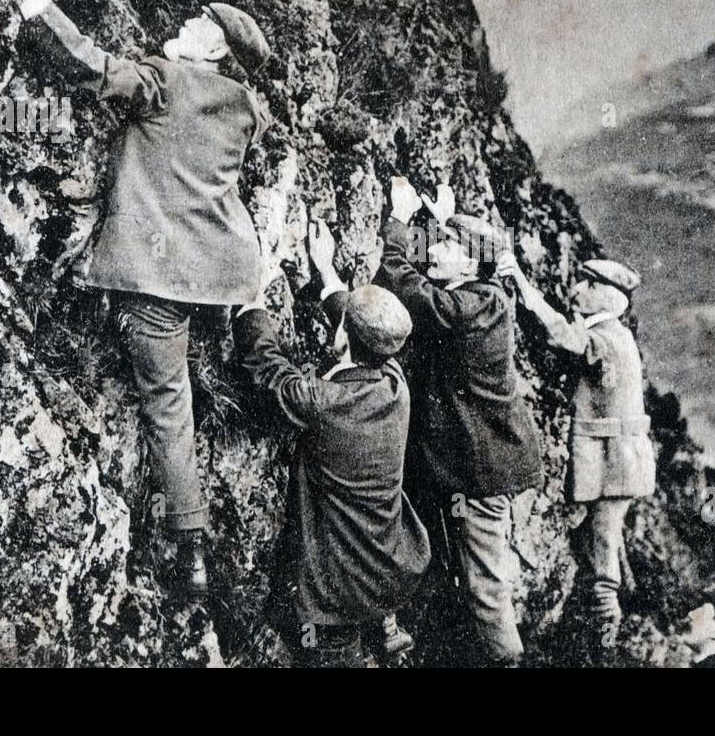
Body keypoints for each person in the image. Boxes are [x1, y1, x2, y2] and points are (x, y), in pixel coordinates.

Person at [0, 0, 272, 595]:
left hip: (154, 281)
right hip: (211, 275)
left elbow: (87, 62)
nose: (187, 22)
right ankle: (191, 539)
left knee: (170, 407)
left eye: (199, 23)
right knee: (184, 396)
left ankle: (188, 546)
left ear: (214, 47)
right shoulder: (242, 108)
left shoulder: (165, 81)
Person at [234, 220, 430, 666]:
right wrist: (327, 274)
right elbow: (363, 330)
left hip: (337, 587)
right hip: (387, 566)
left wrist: (252, 301)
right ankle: (384, 628)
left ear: (343, 335)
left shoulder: (326, 402)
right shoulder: (395, 383)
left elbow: (270, 369)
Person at [375, 179, 542, 665]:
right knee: (467, 573)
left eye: (448, 244)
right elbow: (430, 277)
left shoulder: (469, 306)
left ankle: (509, 661)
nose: (436, 248)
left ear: (470, 263)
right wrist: (438, 217)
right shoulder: (481, 295)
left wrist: (400, 224)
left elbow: (404, 283)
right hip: (476, 465)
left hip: (481, 473)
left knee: (485, 584)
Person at [498, 253, 656, 656]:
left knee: (602, 549)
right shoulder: (620, 336)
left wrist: (521, 282)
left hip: (612, 465)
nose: (577, 291)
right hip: (620, 462)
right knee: (605, 537)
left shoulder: (606, 339)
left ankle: (606, 640)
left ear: (607, 298)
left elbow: (560, 335)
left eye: (588, 286)